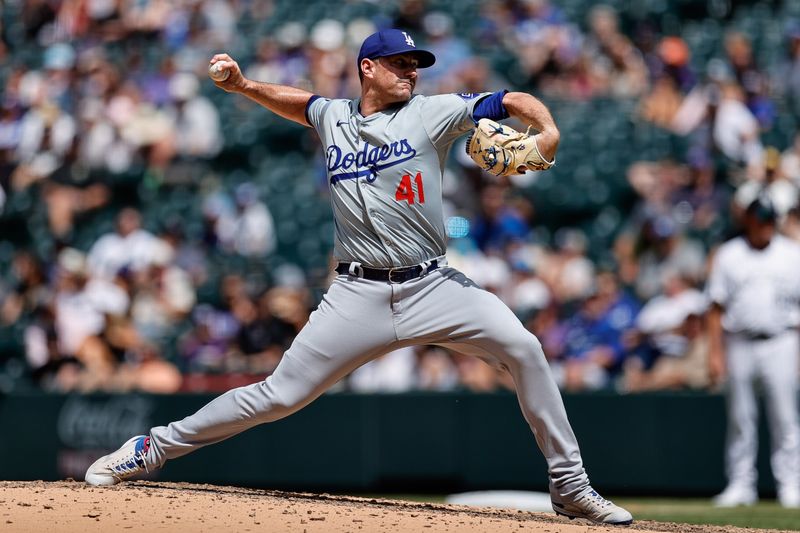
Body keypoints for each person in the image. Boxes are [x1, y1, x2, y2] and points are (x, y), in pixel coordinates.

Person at [84, 29, 632, 525]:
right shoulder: (334, 117)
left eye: (416, 64)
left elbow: (508, 99)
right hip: (357, 293)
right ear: (368, 67)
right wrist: (245, 85)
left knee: (525, 348)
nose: (411, 72)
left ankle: (571, 486)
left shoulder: (431, 112)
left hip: (434, 285)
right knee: (279, 396)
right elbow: (301, 103)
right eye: (400, 63)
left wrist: (547, 128)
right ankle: (151, 449)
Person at [707, 195, 800, 508]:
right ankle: (740, 484)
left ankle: (790, 485)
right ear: (748, 220)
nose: (764, 227)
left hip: (782, 340)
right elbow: (716, 308)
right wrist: (715, 353)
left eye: (769, 221)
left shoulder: (791, 253)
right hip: (740, 341)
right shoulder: (730, 255)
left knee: (786, 418)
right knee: (740, 418)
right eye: (759, 221)